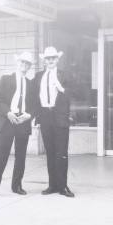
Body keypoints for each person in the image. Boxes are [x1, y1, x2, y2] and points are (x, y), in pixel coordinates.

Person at [0, 51, 36, 197]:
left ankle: (17, 186)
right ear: (18, 63)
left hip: (23, 122)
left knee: (21, 156)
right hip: (8, 121)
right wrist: (8, 113)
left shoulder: (30, 84)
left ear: (29, 66)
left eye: (27, 63)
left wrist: (28, 116)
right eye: (22, 62)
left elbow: (34, 105)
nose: (24, 65)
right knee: (1, 156)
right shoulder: (6, 79)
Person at [33, 46, 75, 198]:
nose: (50, 61)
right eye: (47, 58)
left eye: (53, 58)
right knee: (50, 152)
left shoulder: (65, 75)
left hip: (60, 117)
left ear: (57, 59)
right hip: (45, 117)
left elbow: (72, 93)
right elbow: (33, 97)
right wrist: (35, 116)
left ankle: (63, 186)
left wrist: (61, 87)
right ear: (44, 61)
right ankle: (52, 185)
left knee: (61, 153)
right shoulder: (38, 76)